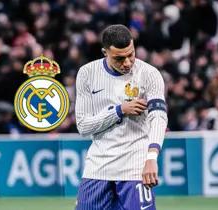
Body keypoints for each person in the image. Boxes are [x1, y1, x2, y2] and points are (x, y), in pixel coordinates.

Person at [75, 24, 168, 210]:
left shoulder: (149, 74)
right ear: (105, 52)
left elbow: (158, 117)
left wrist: (152, 157)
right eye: (119, 58)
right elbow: (83, 126)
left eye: (131, 54)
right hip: (98, 168)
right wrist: (119, 110)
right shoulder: (87, 73)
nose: (127, 62)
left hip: (135, 168)